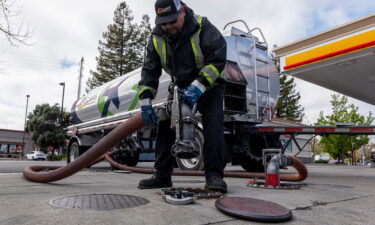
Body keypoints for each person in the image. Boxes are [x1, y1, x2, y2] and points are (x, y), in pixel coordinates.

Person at [137, 0, 227, 193]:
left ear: (182, 12)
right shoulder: (156, 37)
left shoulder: (203, 26)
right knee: (165, 125)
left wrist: (198, 87)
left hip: (209, 85)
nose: (168, 27)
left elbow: (218, 58)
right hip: (179, 85)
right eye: (164, 23)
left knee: (213, 124)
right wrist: (145, 101)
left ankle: (214, 176)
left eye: (172, 21)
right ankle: (162, 176)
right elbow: (149, 70)